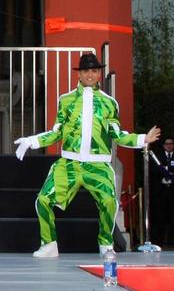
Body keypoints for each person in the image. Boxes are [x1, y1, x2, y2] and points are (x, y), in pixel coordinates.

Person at [15, 54, 158, 259]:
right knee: (43, 200)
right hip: (70, 163)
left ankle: (105, 244)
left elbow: (116, 133)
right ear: (79, 74)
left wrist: (143, 138)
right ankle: (49, 244)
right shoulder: (66, 100)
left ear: (99, 73)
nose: (90, 74)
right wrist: (32, 141)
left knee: (110, 202)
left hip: (98, 165)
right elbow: (57, 132)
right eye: (86, 71)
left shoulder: (109, 103)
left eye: (94, 71)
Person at [147, 137, 174, 246]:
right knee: (159, 217)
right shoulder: (157, 156)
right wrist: (168, 169)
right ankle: (158, 241)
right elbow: (154, 169)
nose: (169, 146)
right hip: (161, 191)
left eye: (171, 143)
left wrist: (166, 168)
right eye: (167, 144)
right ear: (163, 145)